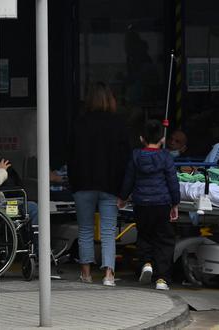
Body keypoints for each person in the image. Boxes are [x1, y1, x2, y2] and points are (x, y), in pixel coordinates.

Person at [67, 82, 131, 286]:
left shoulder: (79, 123)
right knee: (108, 231)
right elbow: (125, 158)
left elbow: (71, 156)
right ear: (109, 99)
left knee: (85, 229)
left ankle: (86, 274)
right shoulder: (118, 124)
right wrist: (124, 189)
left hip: (83, 183)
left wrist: (73, 182)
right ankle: (108, 275)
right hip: (110, 185)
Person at [118, 120, 180, 290]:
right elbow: (172, 182)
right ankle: (162, 279)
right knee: (164, 240)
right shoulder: (166, 156)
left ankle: (146, 263)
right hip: (161, 204)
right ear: (162, 139)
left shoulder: (135, 155)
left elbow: (128, 179)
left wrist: (123, 198)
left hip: (141, 203)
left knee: (144, 235)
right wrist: (175, 203)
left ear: (141, 138)